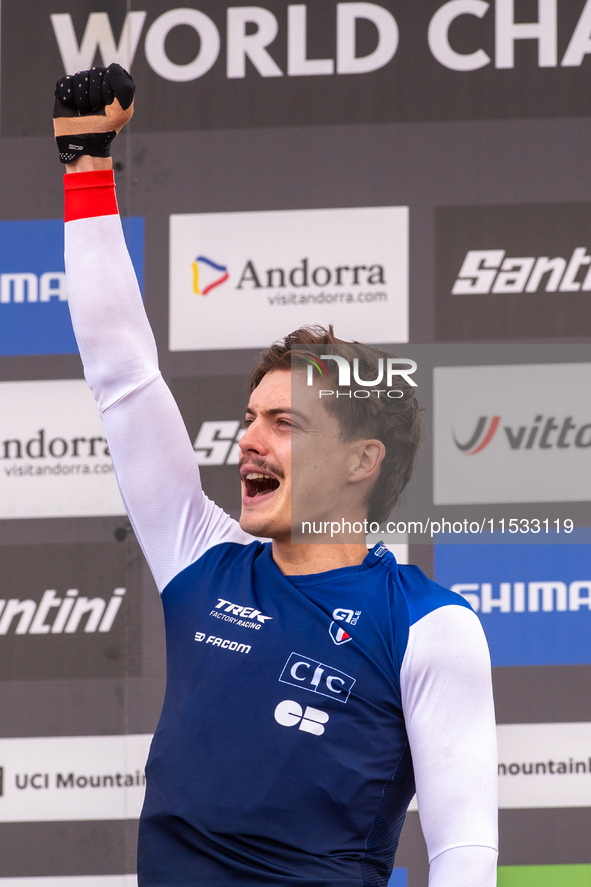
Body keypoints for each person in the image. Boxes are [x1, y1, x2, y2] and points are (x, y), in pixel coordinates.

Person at [55, 65, 498, 886]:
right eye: (249, 415)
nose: (246, 440)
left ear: (362, 460)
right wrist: (86, 168)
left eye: (283, 423)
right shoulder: (200, 555)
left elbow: (464, 855)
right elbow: (121, 373)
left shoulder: (429, 626)